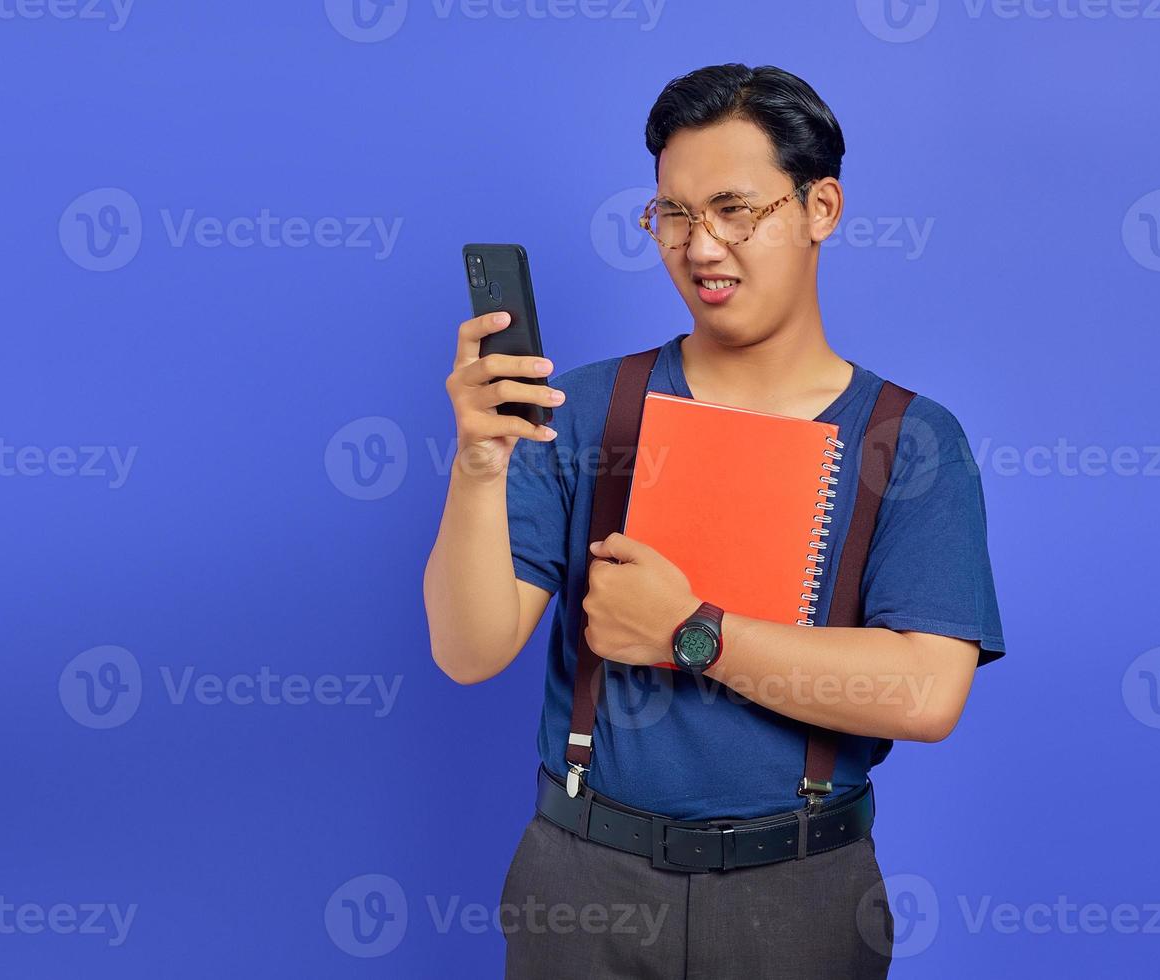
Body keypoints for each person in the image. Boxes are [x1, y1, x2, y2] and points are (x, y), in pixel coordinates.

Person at [423, 62, 1006, 979]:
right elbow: (468, 649)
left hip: (802, 887)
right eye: (673, 214)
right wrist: (478, 466)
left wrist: (691, 632)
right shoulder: (581, 412)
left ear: (822, 209)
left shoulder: (912, 440)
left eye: (735, 209)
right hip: (583, 882)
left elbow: (926, 692)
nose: (700, 247)